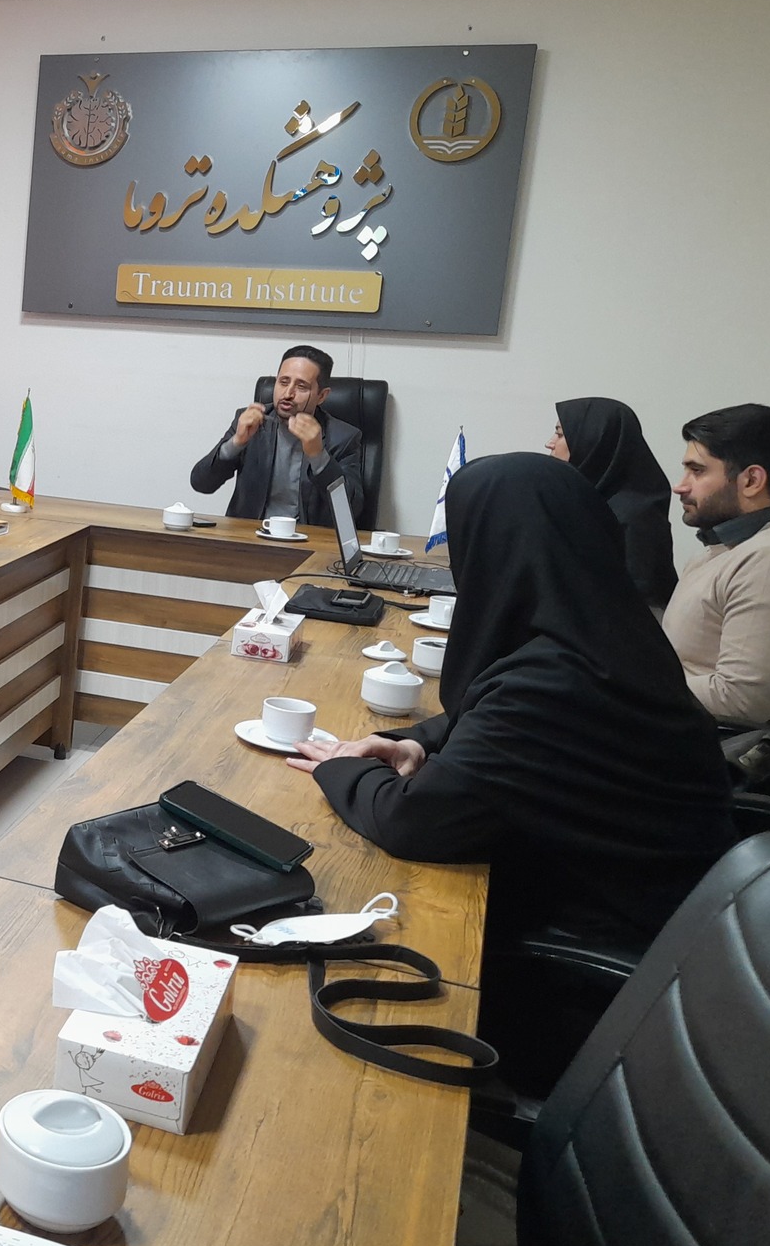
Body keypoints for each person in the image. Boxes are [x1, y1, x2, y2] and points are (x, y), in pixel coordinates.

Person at [288, 453, 735, 1087]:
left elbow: (415, 821)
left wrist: (339, 767)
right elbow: (486, 712)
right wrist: (413, 743)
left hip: (591, 985)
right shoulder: (605, 633)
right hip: (661, 928)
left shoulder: (552, 684)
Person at [663, 403, 770, 727]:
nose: (681, 485)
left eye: (697, 471)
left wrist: (626, 685)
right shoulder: (730, 548)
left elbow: (742, 700)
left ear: (751, 480)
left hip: (702, 749)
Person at [188, 344, 364, 528]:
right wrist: (236, 443)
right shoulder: (252, 422)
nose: (288, 394)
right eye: (283, 382)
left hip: (307, 539)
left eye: (301, 386)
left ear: (321, 396)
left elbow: (351, 509)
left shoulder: (343, 438)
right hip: (250, 536)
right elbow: (201, 483)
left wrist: (318, 456)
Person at [547, 396, 678, 608]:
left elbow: (644, 602)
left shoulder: (634, 517)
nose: (550, 443)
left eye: (560, 434)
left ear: (595, 440)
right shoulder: (583, 501)